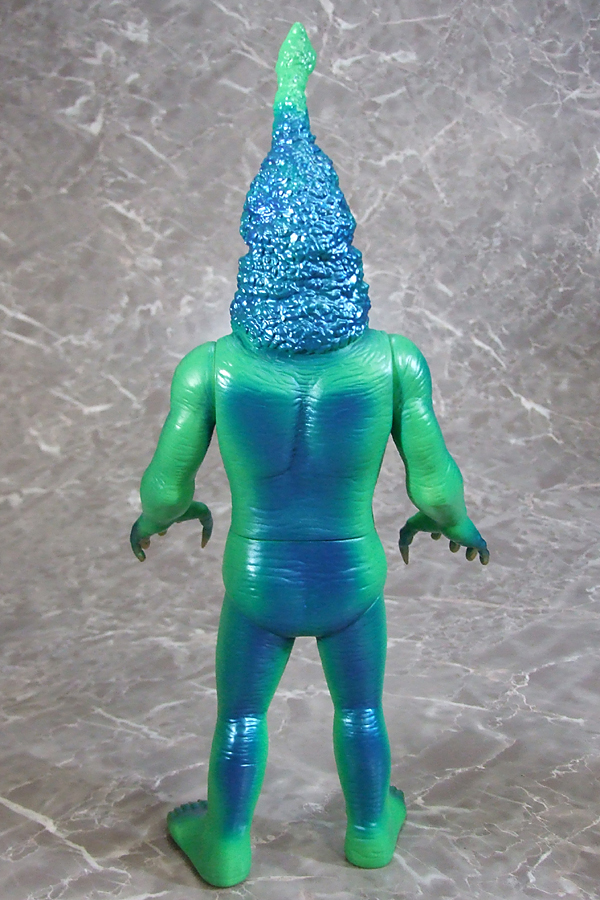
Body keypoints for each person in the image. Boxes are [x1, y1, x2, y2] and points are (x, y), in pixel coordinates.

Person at [130, 23, 488, 889]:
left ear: (256, 247)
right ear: (342, 251)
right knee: (360, 710)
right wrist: (453, 524)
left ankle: (226, 843)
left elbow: (165, 484)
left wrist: (165, 516)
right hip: (351, 574)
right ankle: (369, 831)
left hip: (256, 575)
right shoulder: (394, 362)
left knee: (239, 719)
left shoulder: (211, 367)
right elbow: (436, 486)